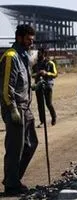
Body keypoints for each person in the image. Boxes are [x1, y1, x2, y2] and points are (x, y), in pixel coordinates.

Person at [0, 24, 38, 196]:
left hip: (26, 107)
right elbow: (6, 88)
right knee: (16, 148)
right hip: (15, 108)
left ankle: (12, 178)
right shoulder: (10, 56)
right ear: (19, 38)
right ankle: (11, 185)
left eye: (32, 40)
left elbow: (23, 82)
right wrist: (13, 109)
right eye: (29, 40)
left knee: (31, 144)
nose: (31, 43)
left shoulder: (23, 56)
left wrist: (36, 86)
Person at [32, 48, 57, 127]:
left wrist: (46, 73)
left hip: (48, 85)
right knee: (40, 104)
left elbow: (55, 74)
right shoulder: (35, 64)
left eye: (40, 53)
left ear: (44, 54)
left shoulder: (50, 63)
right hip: (38, 85)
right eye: (38, 53)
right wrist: (37, 74)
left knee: (48, 103)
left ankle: (54, 117)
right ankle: (42, 121)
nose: (39, 54)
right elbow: (32, 74)